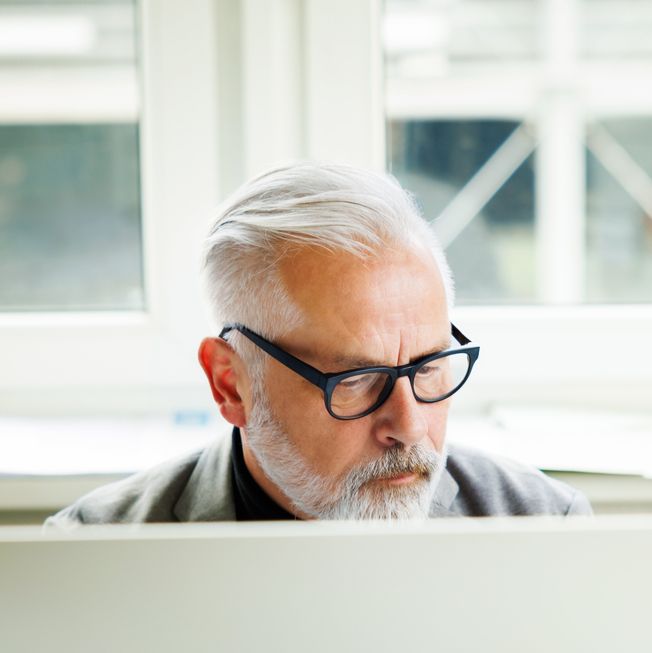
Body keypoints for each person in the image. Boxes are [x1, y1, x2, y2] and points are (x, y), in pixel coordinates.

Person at [46, 162, 591, 525]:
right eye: (355, 380)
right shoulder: (95, 553)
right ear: (230, 383)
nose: (408, 425)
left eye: (428, 368)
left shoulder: (543, 525)